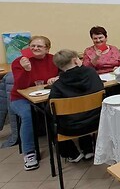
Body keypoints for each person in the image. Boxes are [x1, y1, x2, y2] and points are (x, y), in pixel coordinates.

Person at [10, 35, 59, 170]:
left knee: (59, 108)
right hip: (20, 98)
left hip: (45, 96)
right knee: (28, 115)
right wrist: (26, 70)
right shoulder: (19, 62)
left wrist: (57, 77)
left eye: (39, 46)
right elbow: (20, 87)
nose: (35, 48)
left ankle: (63, 144)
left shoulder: (53, 59)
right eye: (32, 46)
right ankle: (29, 153)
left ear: (47, 49)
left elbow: (64, 73)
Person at [49, 49, 104, 162]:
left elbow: (51, 109)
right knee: (84, 111)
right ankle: (88, 149)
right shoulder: (91, 73)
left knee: (50, 120)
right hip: (97, 121)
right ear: (75, 60)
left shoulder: (58, 84)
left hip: (71, 128)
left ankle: (72, 153)